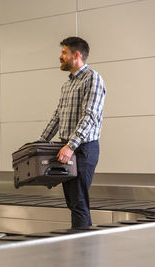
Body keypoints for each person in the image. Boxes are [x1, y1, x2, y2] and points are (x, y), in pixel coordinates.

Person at [39, 37, 106, 228]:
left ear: (76, 55)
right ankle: (80, 246)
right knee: (72, 202)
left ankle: (83, 250)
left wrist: (70, 146)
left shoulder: (93, 79)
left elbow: (90, 116)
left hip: (83, 149)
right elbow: (57, 117)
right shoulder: (67, 85)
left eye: (64, 53)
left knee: (79, 203)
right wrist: (40, 143)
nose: (60, 57)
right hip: (67, 149)